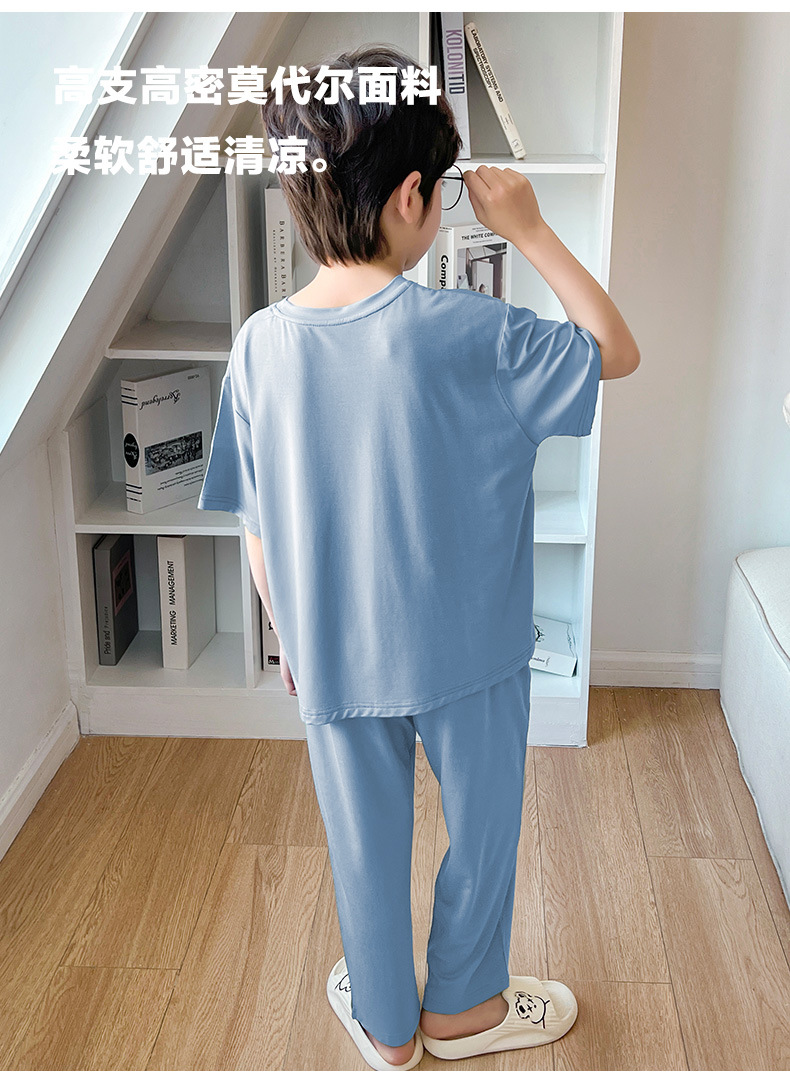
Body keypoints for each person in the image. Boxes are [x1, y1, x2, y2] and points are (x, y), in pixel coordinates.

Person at [197, 43, 640, 1071]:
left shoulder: (258, 346)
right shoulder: (474, 332)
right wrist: (528, 229)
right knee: (482, 834)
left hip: (331, 653)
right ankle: (466, 1010)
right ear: (412, 197)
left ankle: (389, 1026)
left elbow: (258, 522)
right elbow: (614, 351)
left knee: (362, 845)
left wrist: (291, 638)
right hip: (473, 653)